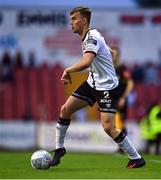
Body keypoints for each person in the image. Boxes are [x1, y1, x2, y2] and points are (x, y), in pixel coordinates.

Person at [50, 6, 145, 168]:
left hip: (107, 87)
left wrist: (68, 70)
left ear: (84, 20)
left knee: (109, 127)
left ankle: (136, 158)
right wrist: (109, 52)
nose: (71, 23)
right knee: (65, 110)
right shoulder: (93, 35)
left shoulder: (91, 37)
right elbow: (105, 49)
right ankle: (59, 149)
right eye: (70, 19)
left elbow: (86, 62)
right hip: (92, 82)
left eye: (74, 19)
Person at [111, 47, 134, 139]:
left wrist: (123, 97)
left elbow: (130, 83)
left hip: (120, 99)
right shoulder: (109, 68)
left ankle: (123, 147)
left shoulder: (122, 69)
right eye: (112, 55)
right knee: (113, 123)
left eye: (115, 55)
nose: (113, 57)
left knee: (121, 122)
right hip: (112, 99)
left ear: (119, 56)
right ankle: (121, 146)